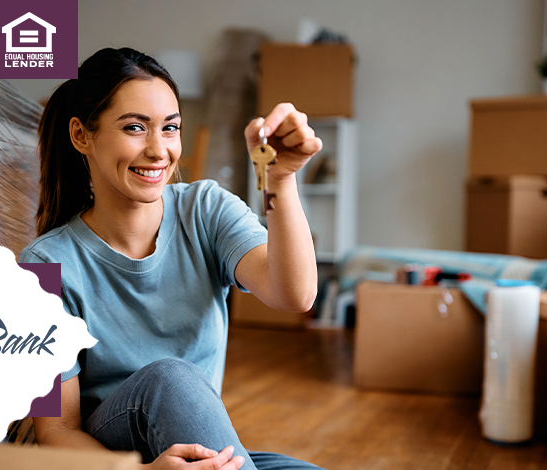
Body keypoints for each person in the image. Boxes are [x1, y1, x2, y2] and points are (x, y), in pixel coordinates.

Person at [19, 47, 323, 470]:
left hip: (197, 447)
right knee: (170, 379)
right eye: (134, 128)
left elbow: (295, 294)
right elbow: (56, 432)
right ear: (81, 135)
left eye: (170, 128)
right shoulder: (44, 266)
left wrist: (282, 180)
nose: (158, 150)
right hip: (110, 459)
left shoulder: (206, 209)